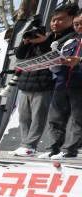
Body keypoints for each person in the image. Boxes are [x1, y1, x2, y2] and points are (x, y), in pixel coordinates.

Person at [39, 5, 82, 160]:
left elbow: (77, 60)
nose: (78, 27)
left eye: (81, 23)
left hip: (79, 86)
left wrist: (79, 60)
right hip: (62, 84)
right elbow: (57, 66)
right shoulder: (70, 42)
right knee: (56, 118)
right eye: (76, 24)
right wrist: (54, 64)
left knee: (78, 120)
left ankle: (71, 151)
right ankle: (53, 149)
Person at [10, 19, 56, 157]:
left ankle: (30, 146)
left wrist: (43, 42)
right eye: (53, 20)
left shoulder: (51, 40)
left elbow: (50, 57)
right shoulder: (30, 44)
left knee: (38, 117)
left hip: (43, 84)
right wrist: (24, 43)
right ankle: (24, 144)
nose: (55, 23)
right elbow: (19, 56)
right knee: (24, 117)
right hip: (26, 83)